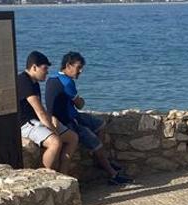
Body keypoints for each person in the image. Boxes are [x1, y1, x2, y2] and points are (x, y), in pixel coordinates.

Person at [44, 52, 133, 185]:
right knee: (96, 143)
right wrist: (80, 101)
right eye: (78, 67)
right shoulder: (67, 82)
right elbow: (80, 104)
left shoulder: (52, 78)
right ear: (68, 65)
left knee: (100, 124)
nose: (81, 71)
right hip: (68, 121)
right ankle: (112, 174)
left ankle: (99, 160)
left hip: (70, 115)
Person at [18, 51, 79, 175]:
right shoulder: (24, 82)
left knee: (73, 138)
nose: (47, 72)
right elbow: (39, 111)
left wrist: (52, 119)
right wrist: (53, 130)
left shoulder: (34, 82)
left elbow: (42, 113)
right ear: (34, 67)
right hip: (25, 124)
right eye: (44, 68)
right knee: (55, 142)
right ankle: (47, 177)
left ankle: (63, 175)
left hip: (36, 121)